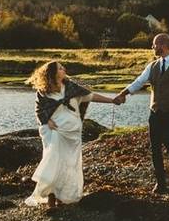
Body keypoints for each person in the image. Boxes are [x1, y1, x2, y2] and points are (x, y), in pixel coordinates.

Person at [24, 61, 122, 208]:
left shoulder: (71, 87)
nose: (64, 69)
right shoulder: (44, 92)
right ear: (53, 73)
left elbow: (91, 96)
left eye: (63, 68)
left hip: (72, 132)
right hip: (54, 131)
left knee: (70, 163)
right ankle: (51, 198)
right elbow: (39, 110)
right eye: (60, 68)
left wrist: (112, 100)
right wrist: (46, 119)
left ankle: (63, 196)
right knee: (53, 162)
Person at [114, 33, 169, 194]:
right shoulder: (152, 66)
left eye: (154, 45)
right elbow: (138, 82)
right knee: (155, 147)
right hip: (155, 111)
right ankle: (160, 182)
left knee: (168, 141)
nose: (152, 47)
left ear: (163, 45)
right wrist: (123, 93)